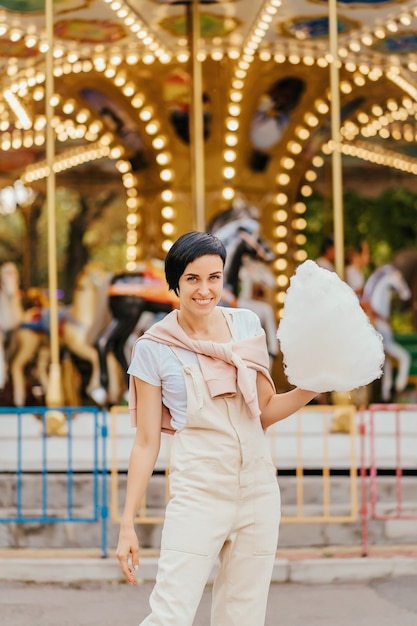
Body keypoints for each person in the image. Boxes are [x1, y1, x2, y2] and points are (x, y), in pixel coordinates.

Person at [116, 231, 317, 625]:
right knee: (169, 615)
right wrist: (127, 523)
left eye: (214, 277)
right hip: (199, 494)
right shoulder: (153, 348)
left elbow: (264, 409)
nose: (205, 289)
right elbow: (145, 442)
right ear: (175, 282)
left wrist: (313, 386)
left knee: (242, 617)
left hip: (258, 491)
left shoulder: (245, 325)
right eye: (193, 278)